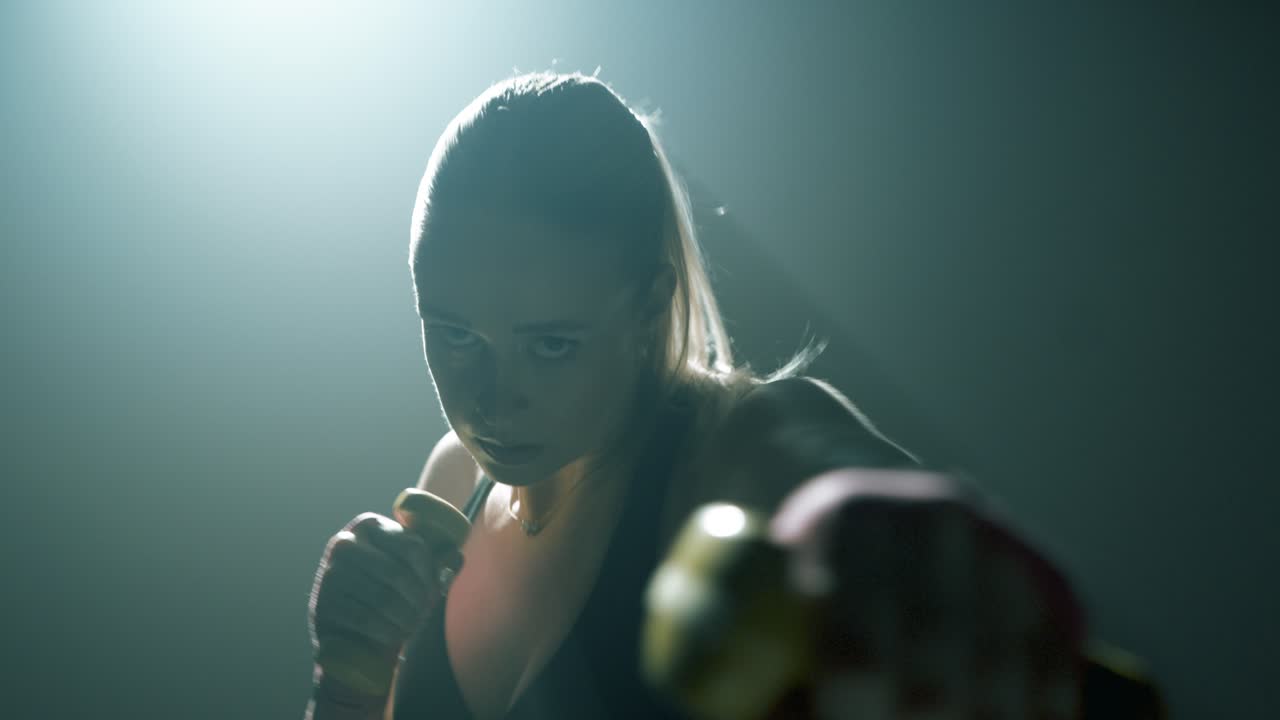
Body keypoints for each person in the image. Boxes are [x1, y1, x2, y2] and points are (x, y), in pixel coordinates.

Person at [304, 72, 1086, 720]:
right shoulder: (450, 483)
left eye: (551, 345)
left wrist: (903, 542)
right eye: (455, 335)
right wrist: (348, 677)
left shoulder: (741, 447)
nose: (493, 402)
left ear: (650, 305)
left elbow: (943, 541)